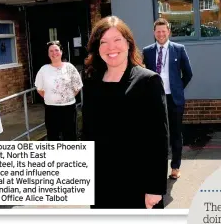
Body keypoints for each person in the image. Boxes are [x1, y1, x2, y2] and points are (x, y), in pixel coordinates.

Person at [82, 16, 168, 209]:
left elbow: (159, 138)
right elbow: (87, 132)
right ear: (97, 48)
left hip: (137, 184)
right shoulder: (91, 81)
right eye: (103, 42)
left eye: (117, 40)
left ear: (128, 44)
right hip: (101, 183)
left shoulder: (148, 81)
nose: (110, 47)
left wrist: (155, 188)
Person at [143, 18, 193, 179]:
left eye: (164, 31)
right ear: (154, 33)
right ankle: (158, 166)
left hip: (174, 100)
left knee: (176, 134)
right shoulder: (147, 51)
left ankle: (175, 167)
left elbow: (188, 74)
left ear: (169, 32)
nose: (161, 34)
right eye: (158, 31)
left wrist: (177, 88)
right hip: (155, 100)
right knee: (157, 135)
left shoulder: (179, 49)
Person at [34, 41, 83, 141]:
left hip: (68, 108)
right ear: (48, 54)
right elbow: (39, 89)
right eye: (51, 51)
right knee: (53, 136)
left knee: (70, 135)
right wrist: (52, 98)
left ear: (61, 52)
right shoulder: (43, 70)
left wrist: (65, 97)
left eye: (56, 50)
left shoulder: (69, 67)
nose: (54, 53)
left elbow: (77, 87)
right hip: (51, 109)